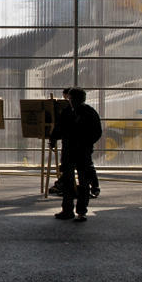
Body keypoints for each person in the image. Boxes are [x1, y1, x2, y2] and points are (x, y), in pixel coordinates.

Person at [50, 87, 102, 222]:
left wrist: (53, 139)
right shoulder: (90, 112)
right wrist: (87, 143)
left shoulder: (67, 112)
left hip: (70, 151)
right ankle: (80, 212)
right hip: (82, 152)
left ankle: (68, 211)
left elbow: (58, 128)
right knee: (82, 182)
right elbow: (97, 132)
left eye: (72, 99)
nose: (71, 101)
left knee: (70, 182)